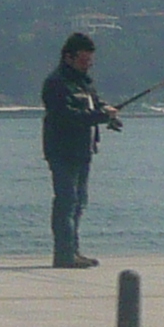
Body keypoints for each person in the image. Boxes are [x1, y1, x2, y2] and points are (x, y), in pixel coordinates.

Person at [39, 32, 120, 269]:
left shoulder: (84, 83)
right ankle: (63, 254)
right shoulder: (56, 83)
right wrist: (100, 116)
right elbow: (68, 116)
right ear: (68, 58)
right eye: (84, 61)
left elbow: (95, 105)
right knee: (66, 201)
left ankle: (73, 251)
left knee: (79, 202)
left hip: (83, 150)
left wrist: (108, 115)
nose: (87, 66)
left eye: (90, 62)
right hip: (62, 150)